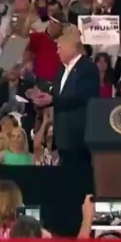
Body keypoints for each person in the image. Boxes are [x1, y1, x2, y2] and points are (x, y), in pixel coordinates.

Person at [30, 27, 99, 167]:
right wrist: (45, 98)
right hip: (62, 136)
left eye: (59, 47)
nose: (57, 51)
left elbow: (81, 97)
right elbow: (58, 95)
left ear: (71, 47)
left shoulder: (87, 68)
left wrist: (53, 100)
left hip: (79, 136)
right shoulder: (61, 69)